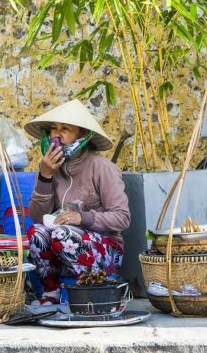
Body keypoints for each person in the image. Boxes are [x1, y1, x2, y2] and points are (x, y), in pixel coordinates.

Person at [24, 99, 130, 306]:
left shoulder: (102, 168)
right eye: (54, 128)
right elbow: (37, 217)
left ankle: (102, 288)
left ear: (82, 136)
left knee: (61, 234)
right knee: (35, 233)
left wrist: (82, 218)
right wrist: (45, 177)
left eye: (65, 129)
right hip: (64, 243)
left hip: (106, 250)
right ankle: (50, 292)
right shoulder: (49, 168)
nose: (56, 134)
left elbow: (122, 217)